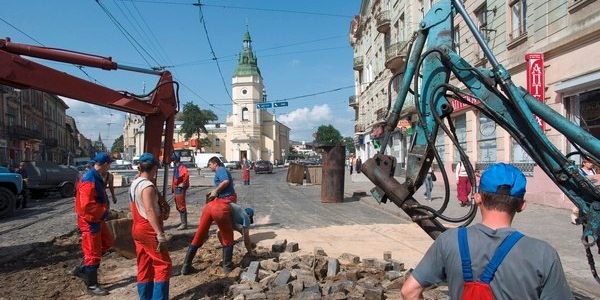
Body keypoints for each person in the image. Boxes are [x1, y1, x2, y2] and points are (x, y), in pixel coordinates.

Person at [401, 163, 574, 300]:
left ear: (478, 198)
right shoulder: (543, 254)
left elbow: (409, 291)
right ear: (522, 205)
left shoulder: (449, 241)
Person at [180, 156, 237, 275]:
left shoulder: (220, 169)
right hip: (221, 206)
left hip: (210, 207)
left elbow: (225, 181)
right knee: (227, 235)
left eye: (209, 164)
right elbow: (226, 181)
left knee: (199, 235)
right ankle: (227, 266)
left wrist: (216, 191)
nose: (209, 166)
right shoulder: (221, 169)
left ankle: (186, 266)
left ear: (215, 163)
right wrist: (216, 191)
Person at [129, 153, 172, 300]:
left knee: (144, 265)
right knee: (163, 265)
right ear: (154, 168)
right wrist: (159, 234)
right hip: (148, 229)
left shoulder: (135, 183)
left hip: (137, 228)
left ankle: (145, 297)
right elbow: (149, 210)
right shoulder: (147, 187)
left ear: (139, 167)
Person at [73, 152, 114, 296]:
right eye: (109, 164)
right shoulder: (89, 179)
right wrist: (104, 212)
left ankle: (82, 268)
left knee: (107, 241)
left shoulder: (94, 176)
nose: (109, 167)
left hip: (96, 218)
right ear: (104, 164)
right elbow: (86, 206)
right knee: (92, 252)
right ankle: (91, 285)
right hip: (90, 220)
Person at [571, 158, 600, 225]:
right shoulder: (580, 171)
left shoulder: (593, 170)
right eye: (589, 163)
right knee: (583, 205)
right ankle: (581, 219)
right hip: (584, 191)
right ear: (584, 163)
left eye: (592, 163)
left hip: (592, 191)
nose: (591, 164)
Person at [171, 153, 190, 230]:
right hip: (176, 188)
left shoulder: (181, 167)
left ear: (175, 160)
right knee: (178, 206)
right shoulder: (177, 167)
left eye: (173, 159)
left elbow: (186, 175)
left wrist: (184, 184)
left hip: (179, 189)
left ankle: (184, 224)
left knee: (181, 206)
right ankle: (183, 222)